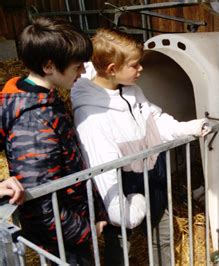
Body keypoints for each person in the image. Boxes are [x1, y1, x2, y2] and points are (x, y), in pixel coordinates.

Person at [71, 28, 209, 266]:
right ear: (112, 69)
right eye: (135, 65)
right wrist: (122, 212)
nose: (141, 69)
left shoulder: (133, 92)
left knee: (163, 236)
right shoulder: (91, 114)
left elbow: (155, 120)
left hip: (152, 179)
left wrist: (185, 128)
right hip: (120, 191)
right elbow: (102, 168)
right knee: (120, 247)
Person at [0, 17, 107, 265]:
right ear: (49, 66)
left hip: (69, 226)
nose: (82, 72)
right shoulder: (33, 123)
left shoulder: (41, 97)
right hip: (60, 239)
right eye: (77, 66)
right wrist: (85, 230)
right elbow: (41, 203)